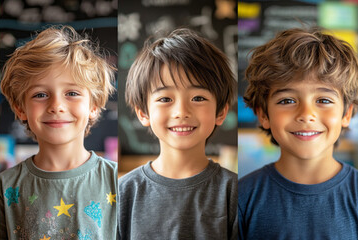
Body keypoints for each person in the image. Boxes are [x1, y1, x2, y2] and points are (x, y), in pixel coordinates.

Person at [0, 25, 117, 240]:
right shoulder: (3, 188)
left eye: (72, 93)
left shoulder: (117, 182)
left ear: (94, 105)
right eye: (40, 94)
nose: (57, 106)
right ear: (20, 108)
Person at [239, 27, 358, 239]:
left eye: (323, 100)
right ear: (263, 115)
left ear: (346, 114)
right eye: (287, 101)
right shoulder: (240, 199)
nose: (306, 115)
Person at [119, 28, 238, 239]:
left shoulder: (235, 193)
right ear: (143, 113)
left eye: (198, 98)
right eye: (165, 99)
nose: (181, 112)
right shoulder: (123, 193)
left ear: (221, 112)